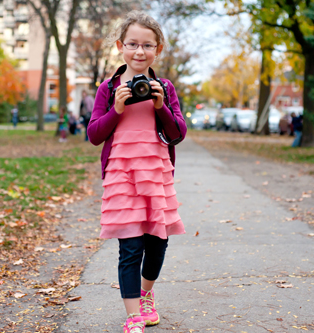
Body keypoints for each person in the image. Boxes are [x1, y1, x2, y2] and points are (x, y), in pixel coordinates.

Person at [87, 11, 187, 333]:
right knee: (130, 247)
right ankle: (133, 315)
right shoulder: (109, 88)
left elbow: (178, 133)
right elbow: (94, 135)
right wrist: (116, 109)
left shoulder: (165, 87)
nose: (139, 52)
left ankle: (146, 294)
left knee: (158, 243)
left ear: (158, 49)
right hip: (122, 175)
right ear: (120, 46)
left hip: (156, 174)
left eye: (147, 45)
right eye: (132, 44)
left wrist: (160, 106)